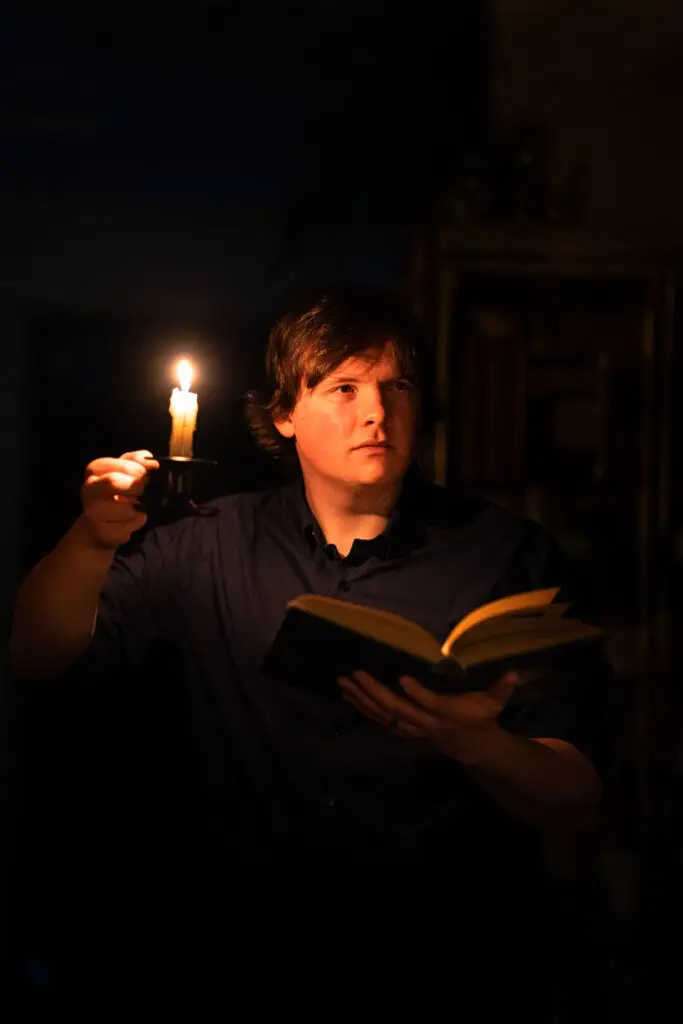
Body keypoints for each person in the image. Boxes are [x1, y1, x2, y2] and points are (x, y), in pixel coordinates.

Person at [10, 284, 608, 1009]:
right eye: (344, 387)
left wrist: (476, 743)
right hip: (246, 961)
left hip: (447, 964)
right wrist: (90, 538)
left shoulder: (504, 554)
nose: (376, 413)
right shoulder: (209, 542)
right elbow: (37, 653)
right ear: (283, 414)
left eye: (398, 387)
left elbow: (578, 798)